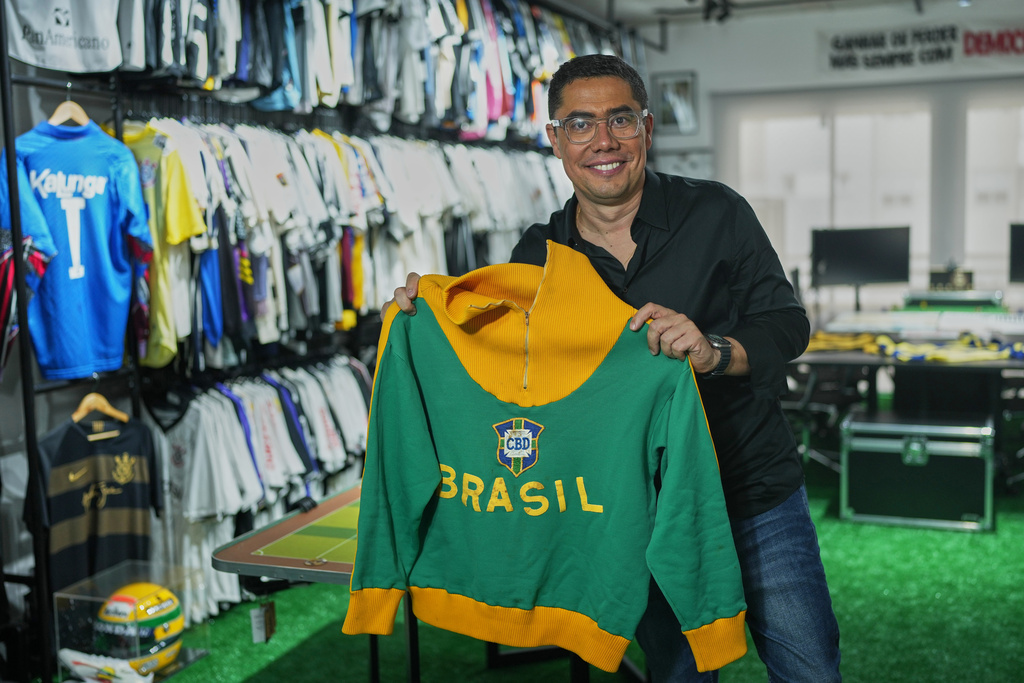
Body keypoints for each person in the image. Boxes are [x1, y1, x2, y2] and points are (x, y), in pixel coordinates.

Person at [383, 54, 841, 682]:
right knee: (678, 674)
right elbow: (507, 365)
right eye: (579, 124)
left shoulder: (718, 213)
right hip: (633, 512)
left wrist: (714, 351)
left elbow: (788, 324)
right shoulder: (537, 255)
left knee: (810, 669)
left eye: (620, 119)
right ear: (554, 140)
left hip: (753, 493)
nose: (603, 141)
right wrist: (425, 314)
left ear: (646, 128)